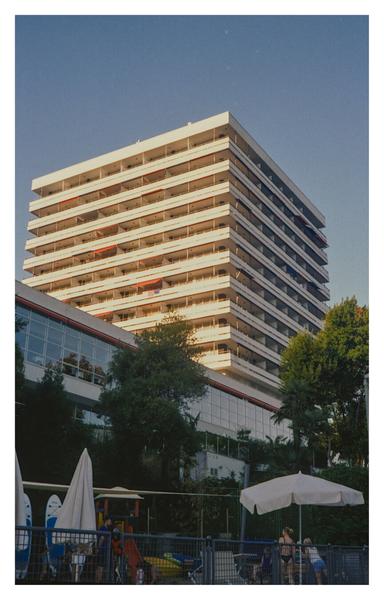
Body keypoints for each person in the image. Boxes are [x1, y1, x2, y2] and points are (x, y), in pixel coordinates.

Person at [95, 516, 113, 583]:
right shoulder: (104, 529)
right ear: (106, 521)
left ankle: (97, 580)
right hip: (103, 550)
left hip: (102, 550)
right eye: (110, 521)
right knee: (100, 566)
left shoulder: (101, 528)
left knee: (99, 566)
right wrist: (98, 548)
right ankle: (98, 581)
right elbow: (101, 539)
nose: (110, 522)